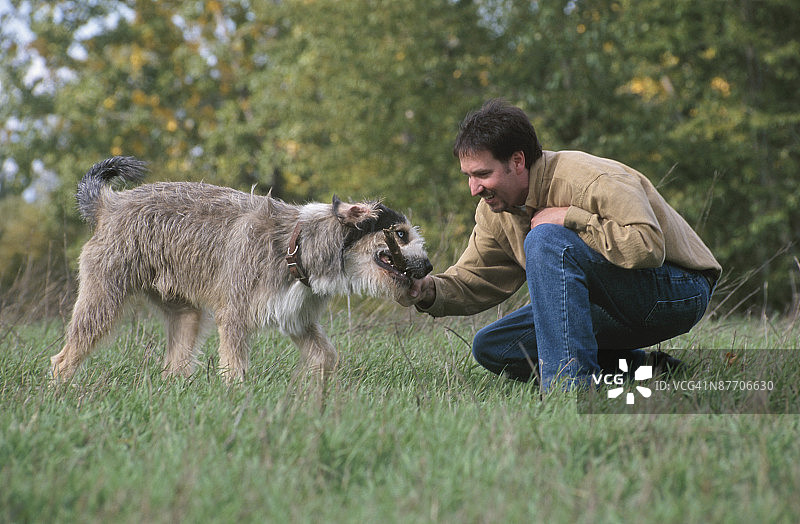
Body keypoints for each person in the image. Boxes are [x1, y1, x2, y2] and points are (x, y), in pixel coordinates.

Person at [398, 99, 721, 391]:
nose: (473, 188)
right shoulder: (495, 210)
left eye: (483, 174)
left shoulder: (592, 179)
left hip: (678, 293)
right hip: (609, 304)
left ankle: (569, 388)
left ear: (518, 161)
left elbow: (647, 247)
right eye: (468, 176)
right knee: (496, 346)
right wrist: (426, 290)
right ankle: (649, 369)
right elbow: (478, 279)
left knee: (546, 239)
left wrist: (572, 217)